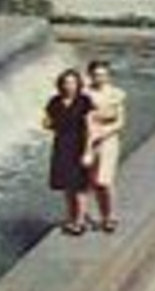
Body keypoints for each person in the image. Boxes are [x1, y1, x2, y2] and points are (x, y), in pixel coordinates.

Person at [43, 68, 94, 236]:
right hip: (62, 145)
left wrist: (88, 151)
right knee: (67, 185)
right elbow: (48, 121)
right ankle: (71, 217)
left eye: (72, 82)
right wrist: (48, 124)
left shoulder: (84, 101)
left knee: (79, 185)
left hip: (78, 144)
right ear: (60, 85)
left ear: (78, 84)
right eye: (65, 83)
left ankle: (80, 222)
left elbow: (89, 127)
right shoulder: (55, 102)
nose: (69, 86)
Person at [84, 59, 127, 233]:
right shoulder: (84, 94)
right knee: (89, 181)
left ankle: (109, 217)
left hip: (108, 140)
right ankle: (87, 214)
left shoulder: (116, 94)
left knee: (104, 181)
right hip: (87, 139)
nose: (99, 78)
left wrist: (104, 132)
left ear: (108, 76)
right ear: (90, 76)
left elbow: (121, 121)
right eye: (96, 75)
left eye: (103, 75)